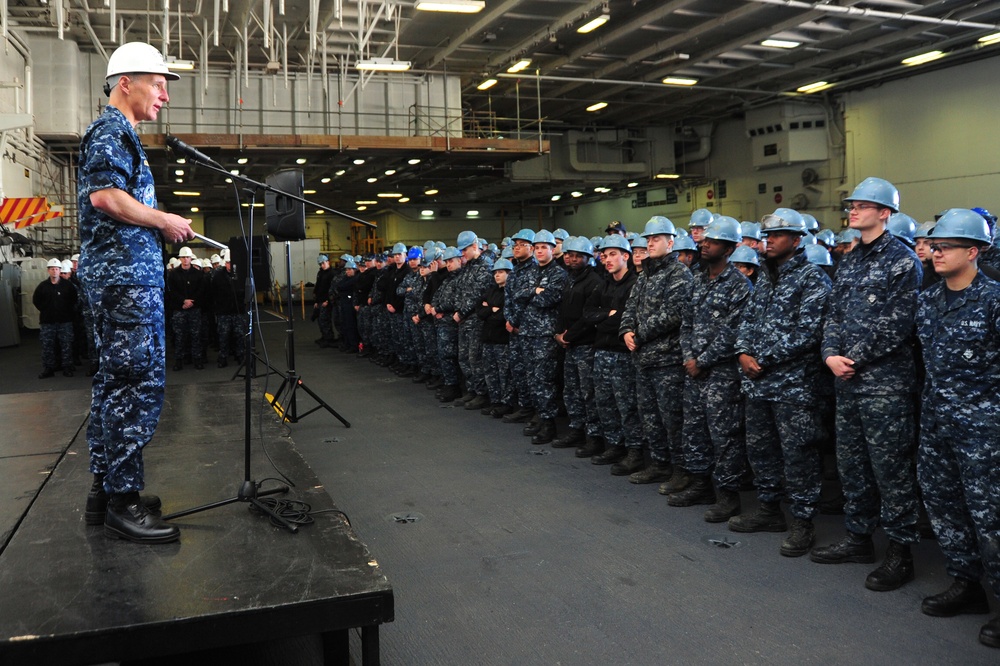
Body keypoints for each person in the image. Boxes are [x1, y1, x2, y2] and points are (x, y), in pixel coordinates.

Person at [77, 41, 194, 544]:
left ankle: (106, 492)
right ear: (127, 83)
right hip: (125, 283)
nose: (165, 95)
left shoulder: (121, 133)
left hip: (122, 280)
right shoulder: (110, 130)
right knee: (135, 386)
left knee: (112, 384)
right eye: (159, 84)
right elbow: (105, 197)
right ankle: (123, 502)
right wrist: (163, 219)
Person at [811, 178, 924, 591]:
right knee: (852, 466)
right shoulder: (852, 258)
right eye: (851, 205)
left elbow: (898, 325)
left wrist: (850, 358)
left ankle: (900, 552)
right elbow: (833, 315)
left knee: (891, 470)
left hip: (884, 386)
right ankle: (859, 538)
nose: (852, 211)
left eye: (862, 205)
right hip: (847, 382)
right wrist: (829, 355)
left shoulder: (902, 261)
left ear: (885, 213)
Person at [914, 208, 1000, 649]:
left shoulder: (994, 300)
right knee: (945, 507)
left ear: (973, 251)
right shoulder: (927, 300)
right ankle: (966, 584)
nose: (934, 253)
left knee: (991, 518)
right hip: (937, 423)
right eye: (933, 246)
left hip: (984, 429)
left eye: (945, 247)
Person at [730, 207, 831, 558]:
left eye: (775, 236)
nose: (767, 241)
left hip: (793, 387)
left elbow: (809, 333)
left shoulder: (812, 279)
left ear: (796, 239)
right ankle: (769, 509)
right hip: (758, 383)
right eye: (766, 236)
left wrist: (762, 358)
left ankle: (803, 522)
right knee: (761, 449)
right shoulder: (765, 279)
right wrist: (743, 352)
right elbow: (746, 320)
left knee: (798, 455)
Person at [676, 217, 752, 521]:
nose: (704, 244)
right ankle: (700, 484)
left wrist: (702, 361)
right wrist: (688, 356)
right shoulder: (697, 280)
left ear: (730, 248)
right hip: (694, 369)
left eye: (713, 241)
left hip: (721, 374)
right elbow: (687, 323)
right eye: (704, 240)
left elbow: (734, 331)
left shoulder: (739, 285)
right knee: (694, 430)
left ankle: (728, 496)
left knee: (725, 436)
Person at [620, 216, 693, 485]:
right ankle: (659, 464)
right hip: (643, 359)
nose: (650, 243)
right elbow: (630, 307)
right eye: (648, 239)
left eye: (656, 239)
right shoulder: (645, 274)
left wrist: (639, 334)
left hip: (667, 361)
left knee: (672, 419)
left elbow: (673, 314)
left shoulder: (679, 273)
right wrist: (626, 330)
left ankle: (681, 470)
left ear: (670, 242)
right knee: (649, 416)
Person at [513, 230, 568, 445]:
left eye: (544, 247)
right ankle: (539, 416)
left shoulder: (558, 273)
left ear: (553, 250)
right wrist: (534, 290)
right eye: (536, 248)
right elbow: (518, 295)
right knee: (532, 379)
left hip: (545, 335)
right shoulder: (530, 272)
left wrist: (534, 293)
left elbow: (549, 298)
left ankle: (549, 424)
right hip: (527, 333)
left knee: (544, 380)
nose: (539, 251)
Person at [552, 237, 603, 450]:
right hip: (569, 344)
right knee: (571, 390)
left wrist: (568, 336)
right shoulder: (568, 279)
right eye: (569, 255)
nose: (572, 259)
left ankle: (594, 436)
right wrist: (559, 334)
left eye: (577, 256)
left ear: (588, 258)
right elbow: (562, 310)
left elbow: (589, 317)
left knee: (588, 392)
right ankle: (576, 429)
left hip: (586, 344)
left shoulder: (594, 282)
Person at [33, 258, 78, 378]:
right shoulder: (42, 286)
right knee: (47, 346)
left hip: (65, 321)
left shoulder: (68, 286)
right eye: (52, 269)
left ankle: (67, 367)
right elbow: (36, 301)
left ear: (60, 270)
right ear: (48, 271)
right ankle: (48, 368)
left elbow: (74, 300)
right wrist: (47, 310)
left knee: (66, 345)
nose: (54, 271)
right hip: (48, 322)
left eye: (57, 269)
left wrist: (67, 312)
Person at [166, 245, 205, 370]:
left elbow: (202, 290)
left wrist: (191, 302)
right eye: (183, 257)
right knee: (179, 336)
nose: (185, 259)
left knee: (196, 335)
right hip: (179, 309)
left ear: (191, 258)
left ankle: (197, 360)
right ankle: (179, 361)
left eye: (187, 257)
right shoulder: (173, 274)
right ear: (180, 259)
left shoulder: (198, 274)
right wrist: (183, 301)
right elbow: (171, 291)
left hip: (194, 308)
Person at [313, 253, 336, 347]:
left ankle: (329, 338)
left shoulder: (332, 273)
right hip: (320, 300)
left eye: (323, 263)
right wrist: (316, 301)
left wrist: (327, 300)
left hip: (326, 301)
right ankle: (324, 336)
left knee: (325, 319)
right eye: (320, 264)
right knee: (320, 320)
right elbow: (318, 286)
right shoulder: (321, 273)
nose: (322, 265)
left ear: (328, 262)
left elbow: (331, 288)